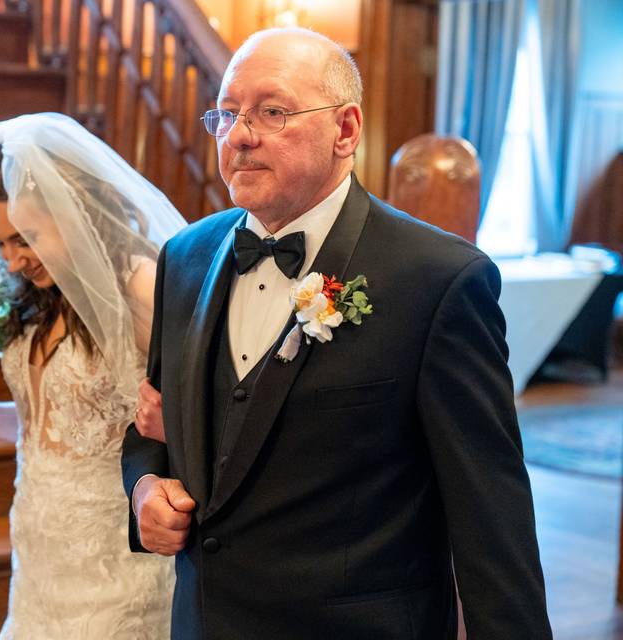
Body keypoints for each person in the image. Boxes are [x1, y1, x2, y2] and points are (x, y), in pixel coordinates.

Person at [121, 27, 552, 639]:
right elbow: (152, 424)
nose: (240, 135)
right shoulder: (185, 258)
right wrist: (143, 486)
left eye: (272, 112)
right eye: (227, 114)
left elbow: (491, 512)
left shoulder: (437, 279)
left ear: (345, 130)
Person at [0, 113, 184, 638]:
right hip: (39, 547)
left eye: (26, 238)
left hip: (114, 558)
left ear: (74, 210)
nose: (13, 261)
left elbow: (201, 403)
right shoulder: (38, 302)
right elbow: (47, 430)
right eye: (2, 245)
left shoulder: (140, 289)